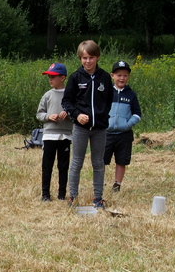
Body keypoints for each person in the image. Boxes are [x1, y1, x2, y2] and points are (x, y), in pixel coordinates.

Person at [62, 40, 114, 209]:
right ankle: (73, 198)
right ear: (80, 59)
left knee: (98, 163)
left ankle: (98, 198)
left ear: (97, 57)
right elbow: (67, 102)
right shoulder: (76, 77)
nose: (88, 61)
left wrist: (101, 116)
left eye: (91, 57)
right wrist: (77, 115)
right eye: (84, 58)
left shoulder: (105, 77)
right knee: (77, 162)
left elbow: (109, 100)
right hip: (80, 129)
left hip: (100, 128)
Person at [36, 62, 73, 202]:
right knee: (47, 166)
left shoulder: (70, 95)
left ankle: (62, 194)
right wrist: (48, 117)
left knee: (63, 166)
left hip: (65, 135)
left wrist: (68, 113)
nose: (50, 79)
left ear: (63, 78)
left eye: (53, 76)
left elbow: (76, 113)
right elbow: (39, 114)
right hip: (49, 135)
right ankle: (45, 194)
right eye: (49, 76)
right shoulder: (47, 95)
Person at [103, 60, 142, 193]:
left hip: (124, 134)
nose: (122, 78)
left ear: (128, 77)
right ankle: (99, 183)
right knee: (101, 160)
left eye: (125, 75)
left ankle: (117, 185)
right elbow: (99, 108)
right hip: (106, 133)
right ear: (112, 75)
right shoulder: (106, 92)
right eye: (119, 75)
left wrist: (128, 124)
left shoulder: (131, 95)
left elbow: (137, 113)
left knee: (121, 160)